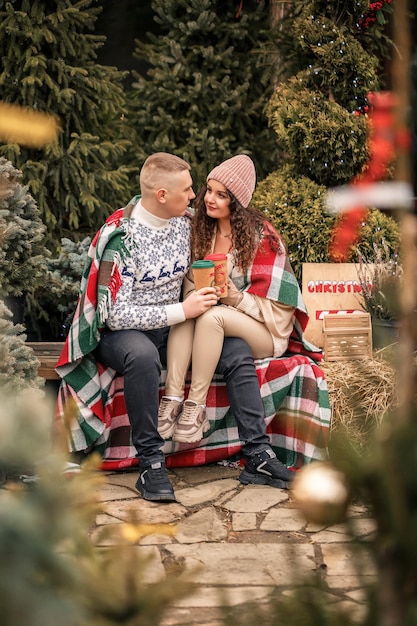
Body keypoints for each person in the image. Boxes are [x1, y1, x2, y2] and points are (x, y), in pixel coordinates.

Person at [56, 152, 294, 504]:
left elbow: (234, 224)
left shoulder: (189, 223)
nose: (197, 196)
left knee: (238, 351)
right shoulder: (121, 238)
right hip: (125, 335)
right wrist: (181, 309)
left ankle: (257, 453)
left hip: (177, 327)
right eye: (188, 189)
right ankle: (151, 462)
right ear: (162, 196)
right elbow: (114, 316)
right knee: (142, 356)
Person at [158, 155, 307, 489]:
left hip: (263, 330)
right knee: (196, 313)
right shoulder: (202, 228)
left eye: (221, 194)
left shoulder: (261, 236)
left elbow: (280, 310)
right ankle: (174, 403)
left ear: (237, 203)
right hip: (221, 332)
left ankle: (194, 406)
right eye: (209, 190)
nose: (210, 198)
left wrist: (236, 298)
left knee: (212, 316)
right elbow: (153, 202)